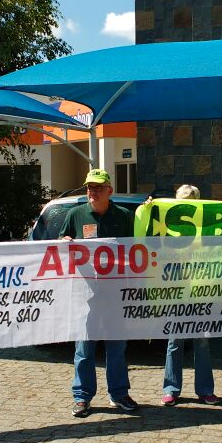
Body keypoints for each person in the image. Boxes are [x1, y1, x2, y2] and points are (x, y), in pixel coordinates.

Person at [60, 169, 138, 418]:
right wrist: (64, 241)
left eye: (97, 187)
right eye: (89, 188)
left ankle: (119, 394)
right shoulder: (75, 214)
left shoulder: (124, 216)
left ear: (109, 191)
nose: (92, 192)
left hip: (114, 293)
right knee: (84, 348)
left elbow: (134, 250)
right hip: (85, 293)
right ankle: (82, 397)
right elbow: (62, 239)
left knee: (117, 347)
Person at [161, 184, 219, 406]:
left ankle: (205, 390)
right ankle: (171, 389)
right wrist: (148, 210)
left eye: (191, 201)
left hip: (201, 291)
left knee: (202, 342)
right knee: (175, 341)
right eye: (182, 201)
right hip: (176, 291)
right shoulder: (168, 225)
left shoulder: (207, 225)